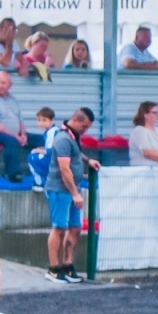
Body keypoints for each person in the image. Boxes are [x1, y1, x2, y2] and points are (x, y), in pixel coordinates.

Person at [45, 108, 100, 283]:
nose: (86, 130)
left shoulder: (72, 137)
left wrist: (87, 160)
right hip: (60, 191)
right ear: (75, 120)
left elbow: (75, 154)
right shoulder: (62, 138)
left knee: (75, 229)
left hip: (71, 190)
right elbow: (64, 168)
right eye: (84, 126)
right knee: (59, 228)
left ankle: (67, 266)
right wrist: (75, 194)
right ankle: (53, 269)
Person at [26, 107, 59, 188]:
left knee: (32, 156)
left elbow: (52, 151)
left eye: (44, 120)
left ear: (52, 120)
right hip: (55, 159)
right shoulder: (50, 131)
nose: (41, 123)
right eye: (39, 120)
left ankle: (39, 181)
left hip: (55, 159)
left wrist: (39, 150)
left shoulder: (52, 132)